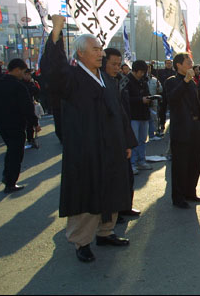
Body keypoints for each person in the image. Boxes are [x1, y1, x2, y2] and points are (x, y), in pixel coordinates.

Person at [41, 15, 132, 263]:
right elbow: (52, 70)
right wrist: (57, 32)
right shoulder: (71, 78)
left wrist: (126, 142)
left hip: (111, 147)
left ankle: (106, 232)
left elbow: (119, 113)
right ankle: (81, 241)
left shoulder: (106, 79)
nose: (101, 53)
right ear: (80, 54)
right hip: (86, 149)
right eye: (95, 49)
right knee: (87, 194)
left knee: (111, 190)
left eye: (101, 49)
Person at [0, 58, 41, 194]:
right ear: (17, 69)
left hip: (2, 124)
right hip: (16, 123)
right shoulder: (19, 86)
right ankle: (10, 182)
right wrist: (34, 122)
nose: (23, 74)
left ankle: (7, 176)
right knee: (16, 153)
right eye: (23, 71)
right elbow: (27, 107)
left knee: (11, 150)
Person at [102, 48, 141, 219]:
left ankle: (125, 206)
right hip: (109, 139)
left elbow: (123, 112)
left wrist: (128, 141)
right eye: (113, 64)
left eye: (119, 64)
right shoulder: (100, 84)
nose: (117, 68)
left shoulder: (120, 81)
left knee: (127, 177)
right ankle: (111, 215)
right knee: (111, 180)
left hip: (122, 133)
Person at [164, 53, 200, 209]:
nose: (191, 64)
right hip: (181, 129)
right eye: (188, 62)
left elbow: (197, 103)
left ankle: (190, 192)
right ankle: (178, 197)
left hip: (194, 127)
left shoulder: (193, 83)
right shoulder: (171, 82)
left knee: (195, 162)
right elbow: (172, 99)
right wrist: (186, 80)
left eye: (191, 61)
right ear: (178, 65)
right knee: (180, 164)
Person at [121, 60, 154, 175]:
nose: (142, 74)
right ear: (134, 71)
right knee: (133, 141)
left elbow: (147, 93)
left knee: (143, 140)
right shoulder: (126, 81)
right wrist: (140, 100)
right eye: (140, 72)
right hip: (132, 116)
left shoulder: (143, 81)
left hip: (144, 115)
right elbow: (124, 99)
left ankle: (141, 160)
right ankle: (132, 164)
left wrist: (150, 98)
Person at [157, 59, 175, 134]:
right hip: (163, 93)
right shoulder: (161, 72)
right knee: (162, 110)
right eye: (167, 63)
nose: (169, 64)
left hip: (172, 93)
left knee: (173, 109)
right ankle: (162, 124)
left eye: (170, 63)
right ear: (165, 64)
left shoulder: (174, 72)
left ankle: (174, 124)